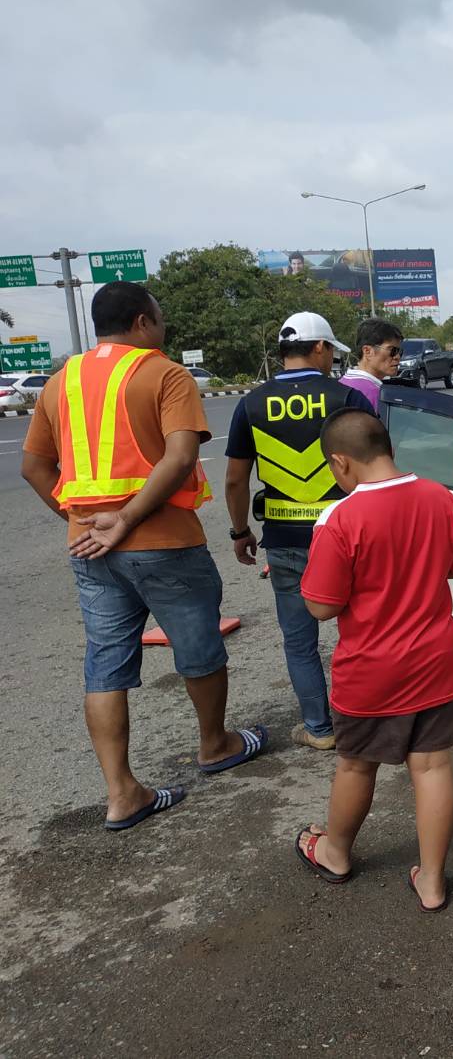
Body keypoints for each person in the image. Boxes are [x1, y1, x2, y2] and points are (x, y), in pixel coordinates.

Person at [20, 282, 266, 831]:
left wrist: (82, 521)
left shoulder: (59, 382)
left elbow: (33, 467)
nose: (162, 326)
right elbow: (179, 458)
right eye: (159, 317)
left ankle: (122, 793)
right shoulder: (164, 373)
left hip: (91, 548)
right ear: (140, 322)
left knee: (105, 663)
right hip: (164, 542)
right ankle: (216, 745)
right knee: (198, 647)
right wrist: (127, 519)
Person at [292, 408, 453, 911]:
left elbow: (322, 606)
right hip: (436, 661)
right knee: (433, 767)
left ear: (340, 461)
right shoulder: (440, 497)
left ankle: (334, 853)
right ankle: (432, 882)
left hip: (372, 671)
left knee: (356, 766)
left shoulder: (340, 518)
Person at [224, 312, 374, 752]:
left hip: (286, 540)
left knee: (299, 641)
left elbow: (235, 480)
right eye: (331, 352)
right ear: (320, 348)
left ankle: (319, 729)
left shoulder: (252, 403)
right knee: (363, 633)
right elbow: (374, 468)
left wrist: (240, 531)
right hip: (347, 537)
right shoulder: (346, 396)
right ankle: (368, 721)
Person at [340, 317, 403, 404]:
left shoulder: (342, 383)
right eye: (392, 350)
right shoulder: (373, 394)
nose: (397, 356)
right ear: (367, 351)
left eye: (399, 351)